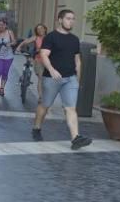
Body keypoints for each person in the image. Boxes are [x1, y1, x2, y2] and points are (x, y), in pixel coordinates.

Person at [32, 9, 92, 150]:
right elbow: (44, 54)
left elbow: (77, 61)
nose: (71, 21)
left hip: (70, 79)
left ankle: (75, 138)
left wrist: (78, 79)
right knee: (45, 105)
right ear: (60, 20)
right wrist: (52, 70)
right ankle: (36, 128)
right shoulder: (51, 37)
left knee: (70, 108)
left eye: (73, 19)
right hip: (52, 79)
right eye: (68, 18)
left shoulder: (74, 39)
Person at [16, 23, 49, 102]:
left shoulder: (49, 38)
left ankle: (46, 96)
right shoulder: (36, 37)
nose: (40, 30)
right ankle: (41, 97)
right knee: (41, 78)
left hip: (48, 61)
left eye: (41, 28)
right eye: (38, 29)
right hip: (38, 60)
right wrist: (19, 47)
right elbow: (25, 42)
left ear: (45, 29)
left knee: (47, 80)